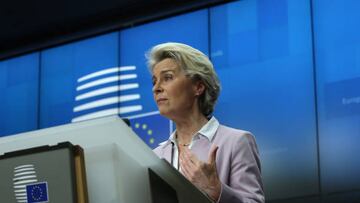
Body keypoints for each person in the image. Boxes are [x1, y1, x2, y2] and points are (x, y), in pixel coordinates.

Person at [148, 42, 264, 203]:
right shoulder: (154, 157)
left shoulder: (236, 142)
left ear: (198, 87)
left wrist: (217, 191)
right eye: (154, 81)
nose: (156, 88)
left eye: (167, 77)